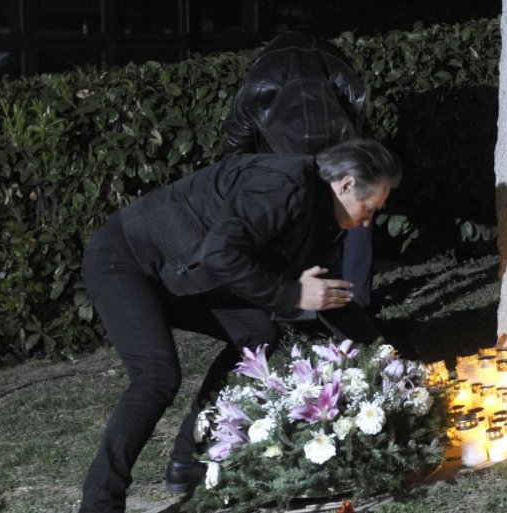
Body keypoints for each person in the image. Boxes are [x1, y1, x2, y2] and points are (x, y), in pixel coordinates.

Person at [78, 138, 401, 513]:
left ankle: (189, 458)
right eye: (369, 208)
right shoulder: (284, 185)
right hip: (125, 259)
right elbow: (220, 254)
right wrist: (294, 292)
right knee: (156, 375)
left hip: (181, 273)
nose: (367, 221)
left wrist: (389, 358)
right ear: (345, 184)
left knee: (256, 336)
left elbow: (334, 299)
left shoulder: (322, 216)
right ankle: (99, 502)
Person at [222, 31, 377, 309]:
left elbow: (235, 143)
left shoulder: (260, 84)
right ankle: (345, 304)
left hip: (320, 147)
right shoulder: (263, 86)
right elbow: (358, 113)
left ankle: (345, 305)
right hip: (310, 147)